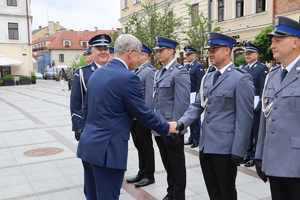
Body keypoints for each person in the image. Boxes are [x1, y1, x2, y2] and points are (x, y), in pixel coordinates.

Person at [76, 34, 177, 200]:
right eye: (138, 55)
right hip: (107, 152)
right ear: (130, 53)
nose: (139, 59)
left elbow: (86, 110)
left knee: (92, 196)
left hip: (89, 147)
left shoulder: (96, 74)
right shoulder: (127, 77)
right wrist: (166, 127)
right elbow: (143, 112)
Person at [175, 32, 254, 200]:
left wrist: (239, 150)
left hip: (225, 148)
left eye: (214, 49)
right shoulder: (208, 77)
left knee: (226, 192)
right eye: (209, 49)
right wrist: (182, 123)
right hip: (206, 145)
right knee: (213, 191)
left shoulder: (240, 79)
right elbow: (197, 105)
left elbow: (245, 118)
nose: (210, 53)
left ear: (227, 51)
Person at [255, 16, 300, 200]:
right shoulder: (272, 75)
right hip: (274, 162)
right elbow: (265, 118)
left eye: (278, 40)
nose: (272, 45)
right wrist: (259, 154)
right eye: (272, 40)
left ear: (296, 42)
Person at [153, 36, 191, 200]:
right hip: (160, 127)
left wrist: (176, 129)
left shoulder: (179, 72)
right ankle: (171, 192)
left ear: (170, 51)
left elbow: (182, 103)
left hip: (172, 128)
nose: (158, 54)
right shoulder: (161, 72)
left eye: (160, 51)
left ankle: (178, 196)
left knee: (177, 165)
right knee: (168, 164)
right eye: (157, 51)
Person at [70, 34, 111, 141]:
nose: (103, 52)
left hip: (113, 131)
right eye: (99, 49)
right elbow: (75, 104)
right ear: (92, 51)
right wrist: (79, 128)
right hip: (91, 130)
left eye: (106, 49)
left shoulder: (117, 71)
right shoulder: (82, 73)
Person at [126, 44, 156, 187]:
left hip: (142, 117)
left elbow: (149, 98)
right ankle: (142, 172)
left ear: (146, 56)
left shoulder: (149, 71)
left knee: (146, 146)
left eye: (141, 54)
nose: (138, 56)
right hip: (135, 117)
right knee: (139, 146)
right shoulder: (138, 70)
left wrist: (146, 116)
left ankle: (149, 175)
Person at [241, 42, 269, 167]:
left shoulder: (261, 68)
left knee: (255, 132)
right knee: (246, 130)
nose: (247, 55)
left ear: (256, 55)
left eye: (250, 53)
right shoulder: (243, 68)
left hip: (256, 103)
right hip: (245, 103)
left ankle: (254, 156)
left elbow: (264, 88)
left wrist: (259, 106)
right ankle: (246, 154)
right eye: (246, 53)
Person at [183, 46, 205, 148]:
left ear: (194, 55)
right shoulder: (187, 67)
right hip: (188, 95)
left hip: (195, 95)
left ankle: (197, 139)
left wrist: (197, 96)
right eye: (186, 54)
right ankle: (192, 137)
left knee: (195, 119)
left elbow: (200, 83)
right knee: (190, 118)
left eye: (188, 54)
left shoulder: (198, 66)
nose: (186, 56)